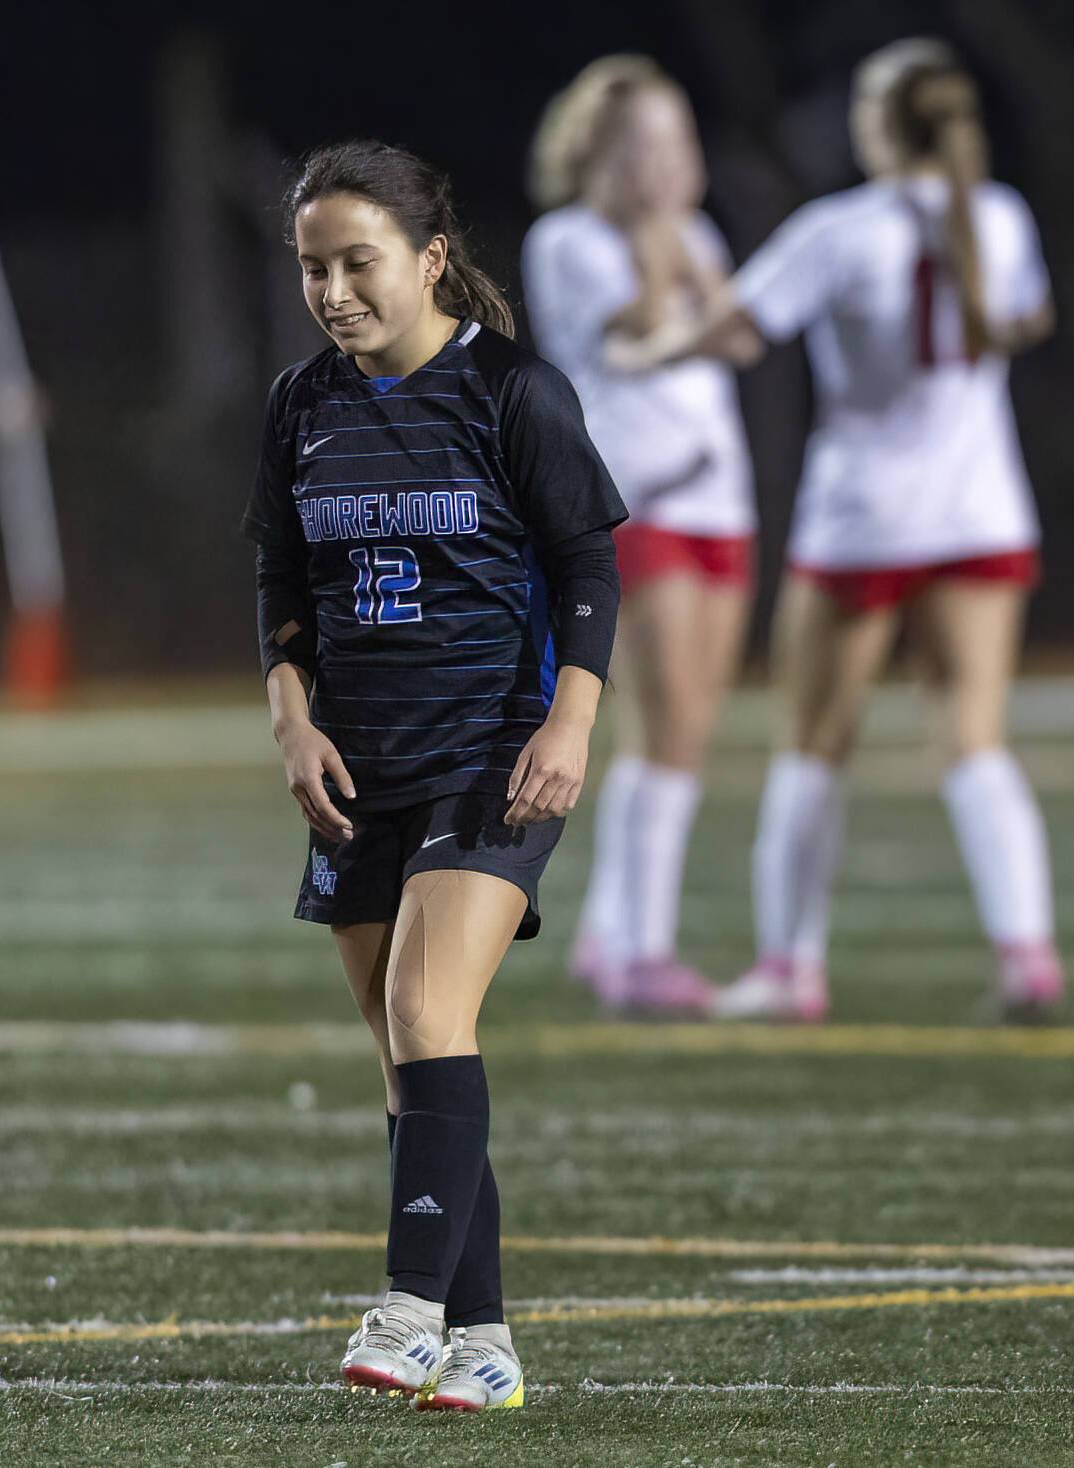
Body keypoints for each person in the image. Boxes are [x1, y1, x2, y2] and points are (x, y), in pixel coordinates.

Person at [243, 140, 626, 1410]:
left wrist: (568, 722)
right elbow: (281, 588)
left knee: (422, 1013)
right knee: (419, 1055)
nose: (335, 288)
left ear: (430, 256)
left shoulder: (510, 388)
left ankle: (407, 1309)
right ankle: (487, 1341)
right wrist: (291, 721)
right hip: (360, 765)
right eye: (313, 267)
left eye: (359, 261)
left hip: (490, 751)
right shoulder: (303, 404)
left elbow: (586, 567)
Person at [611, 37, 1065, 1023]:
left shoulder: (840, 229)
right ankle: (1026, 954)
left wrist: (648, 348)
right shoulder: (997, 213)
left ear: (875, 125)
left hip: (863, 519)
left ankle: (788, 967)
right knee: (974, 737)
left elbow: (736, 330)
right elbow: (1028, 316)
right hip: (982, 508)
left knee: (811, 742)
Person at [524, 56, 761, 1017]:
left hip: (720, 502)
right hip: (636, 499)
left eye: (681, 143)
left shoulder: (693, 232)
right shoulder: (569, 239)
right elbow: (648, 316)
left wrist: (683, 241)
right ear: (596, 153)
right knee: (658, 725)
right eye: (648, 146)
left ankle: (609, 935)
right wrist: (668, 238)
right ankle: (640, 952)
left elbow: (740, 335)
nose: (671, 165)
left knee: (691, 730)